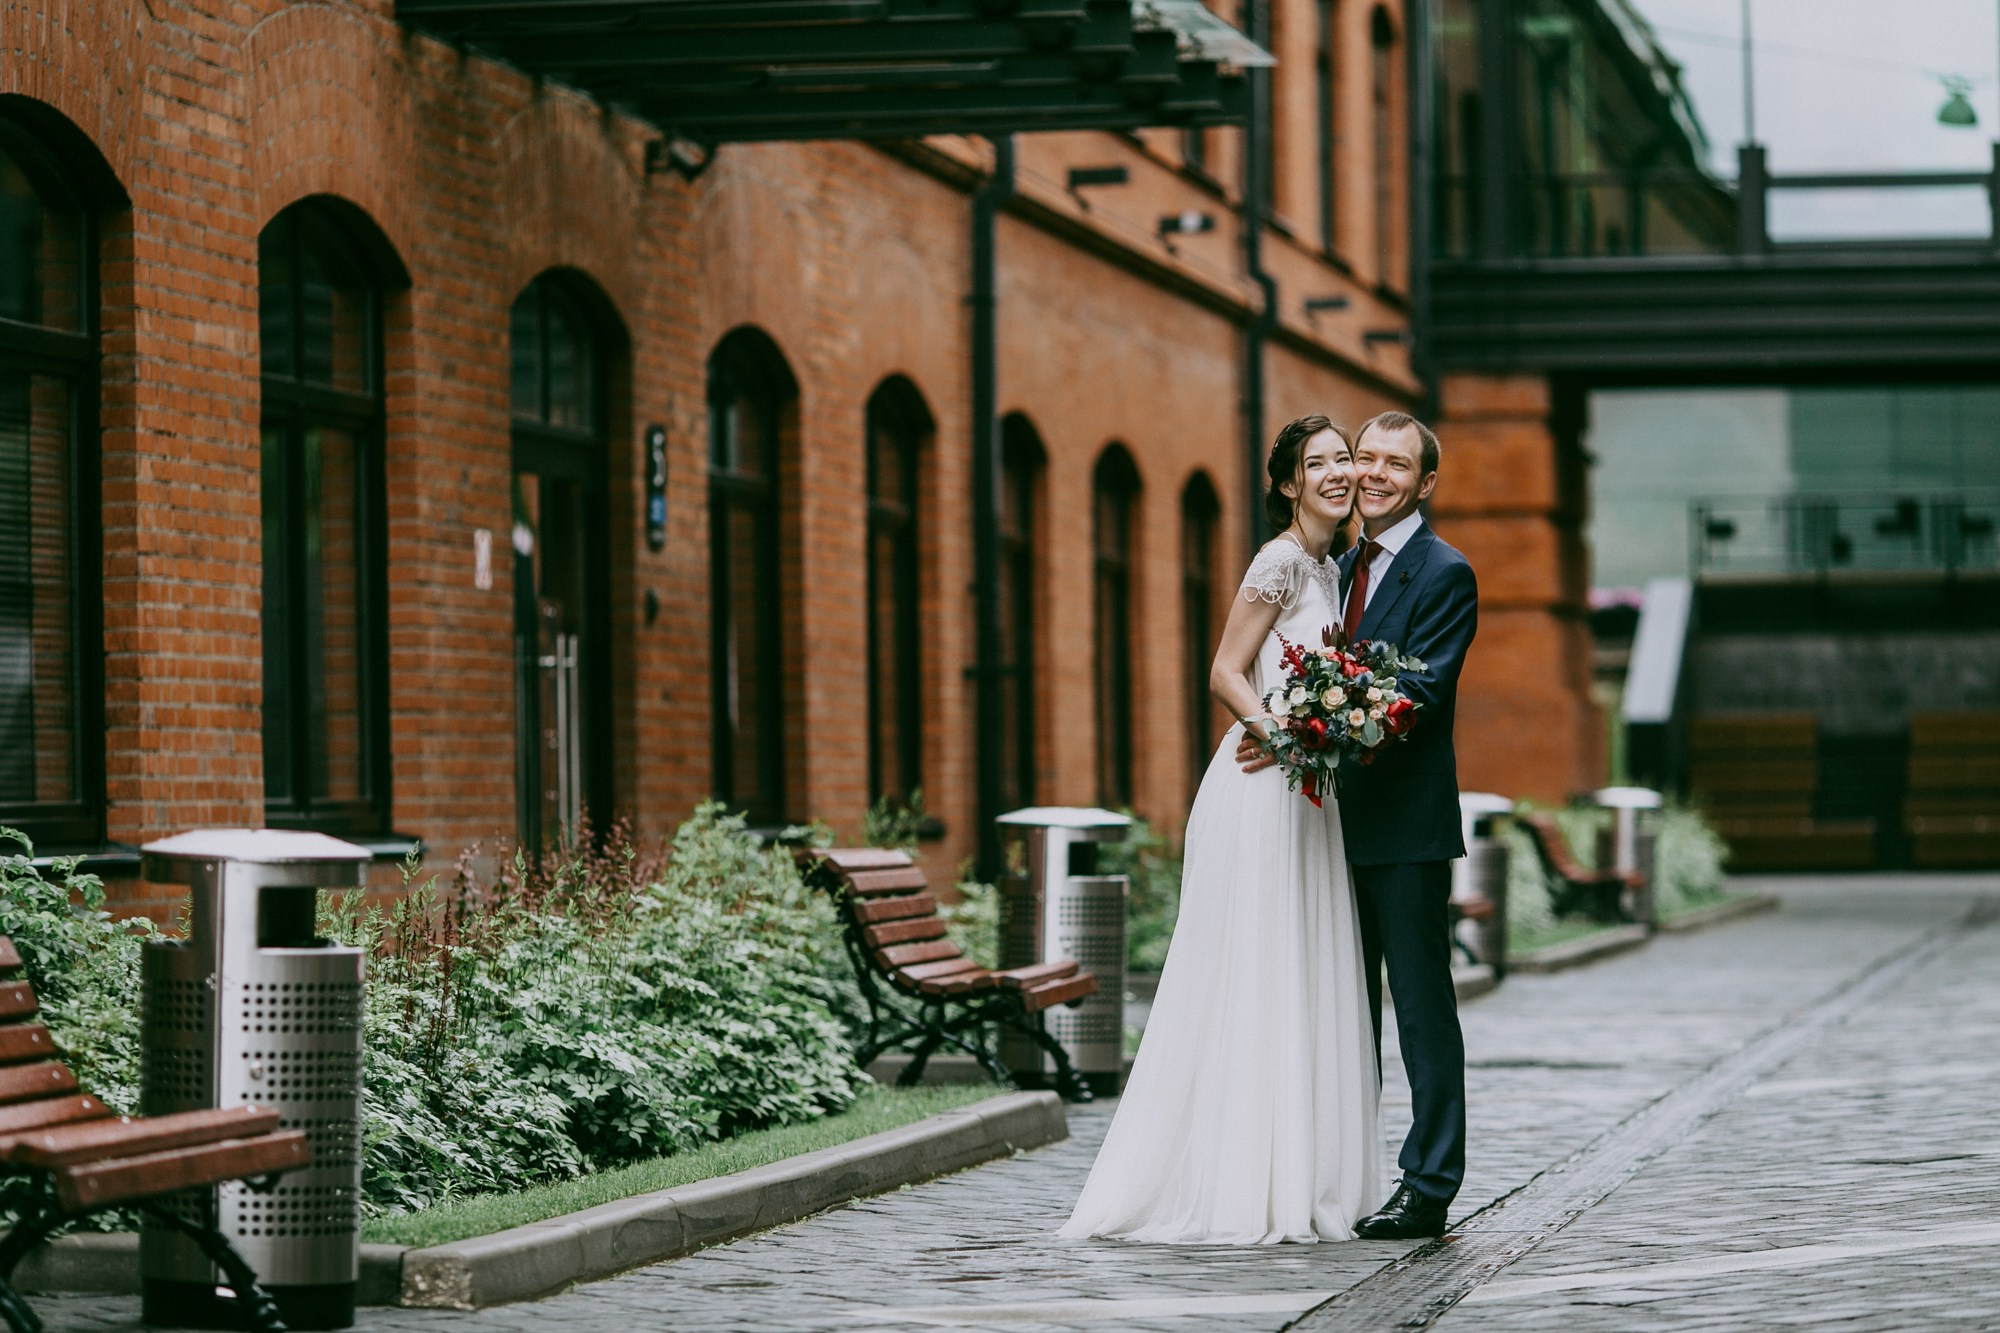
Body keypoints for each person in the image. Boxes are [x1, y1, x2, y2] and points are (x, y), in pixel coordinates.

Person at [1058, 416, 1382, 1245]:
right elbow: (1225, 669)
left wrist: (1328, 735)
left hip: (1314, 789)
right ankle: (1247, 1180)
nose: (1339, 473)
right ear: (1288, 483)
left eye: (1345, 458)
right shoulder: (1279, 560)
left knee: (1305, 967)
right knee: (1262, 968)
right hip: (1265, 788)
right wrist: (1283, 735)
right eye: (1320, 464)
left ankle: (1305, 1169)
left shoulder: (1333, 567)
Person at [1235, 409, 1478, 1240]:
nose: (1372, 474)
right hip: (1323, 825)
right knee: (1342, 1010)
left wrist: (1304, 731)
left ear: (1425, 481)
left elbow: (1416, 693)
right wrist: (1289, 725)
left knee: (1419, 1008)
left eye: (1393, 464)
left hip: (1402, 828)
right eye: (1362, 458)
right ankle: (1347, 1169)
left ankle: (1430, 1182)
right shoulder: (1334, 566)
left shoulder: (1445, 572)